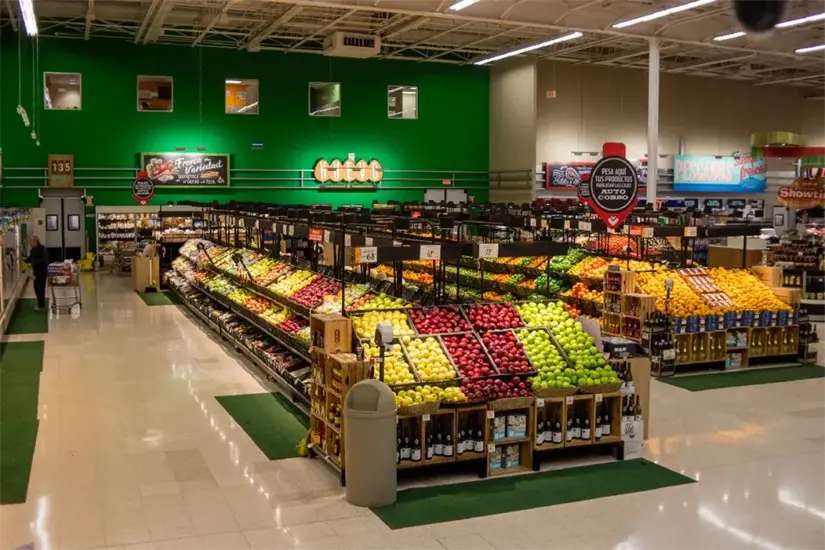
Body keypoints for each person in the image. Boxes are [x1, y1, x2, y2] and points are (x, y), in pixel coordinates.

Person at [25, 235, 49, 311]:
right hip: (36, 273)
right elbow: (31, 258)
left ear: (35, 241)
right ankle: (39, 303)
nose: (30, 244)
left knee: (40, 288)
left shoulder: (42, 249)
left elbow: (44, 260)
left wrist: (33, 263)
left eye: (31, 242)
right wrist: (25, 260)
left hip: (42, 272)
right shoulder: (33, 250)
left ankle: (41, 306)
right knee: (36, 288)